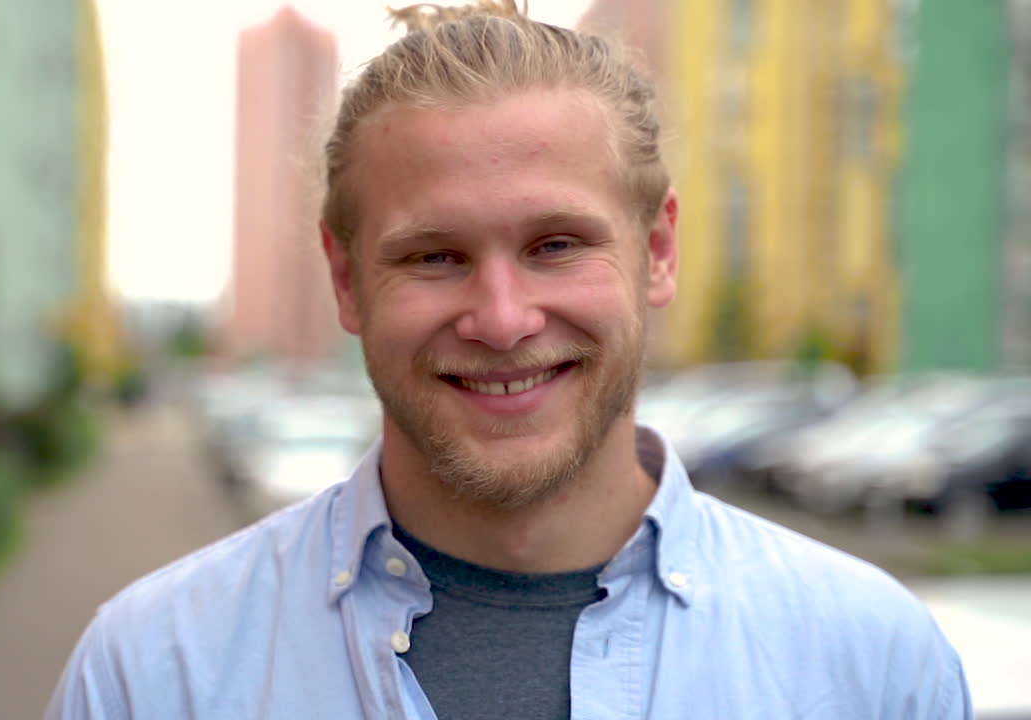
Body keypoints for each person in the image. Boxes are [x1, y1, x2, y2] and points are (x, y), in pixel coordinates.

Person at [47, 3, 971, 718]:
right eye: (433, 256)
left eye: (558, 244)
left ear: (657, 250)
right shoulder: (156, 670)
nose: (500, 318)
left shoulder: (869, 660)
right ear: (344, 278)